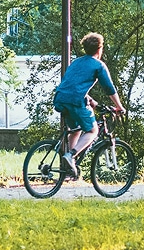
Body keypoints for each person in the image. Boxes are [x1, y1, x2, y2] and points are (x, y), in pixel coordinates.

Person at [53, 32, 125, 177]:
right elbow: (109, 89)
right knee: (93, 131)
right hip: (75, 101)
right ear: (100, 49)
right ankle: (71, 155)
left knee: (75, 130)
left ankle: (70, 167)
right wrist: (120, 106)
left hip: (61, 98)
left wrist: (91, 101)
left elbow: (73, 85)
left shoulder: (77, 62)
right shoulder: (99, 65)